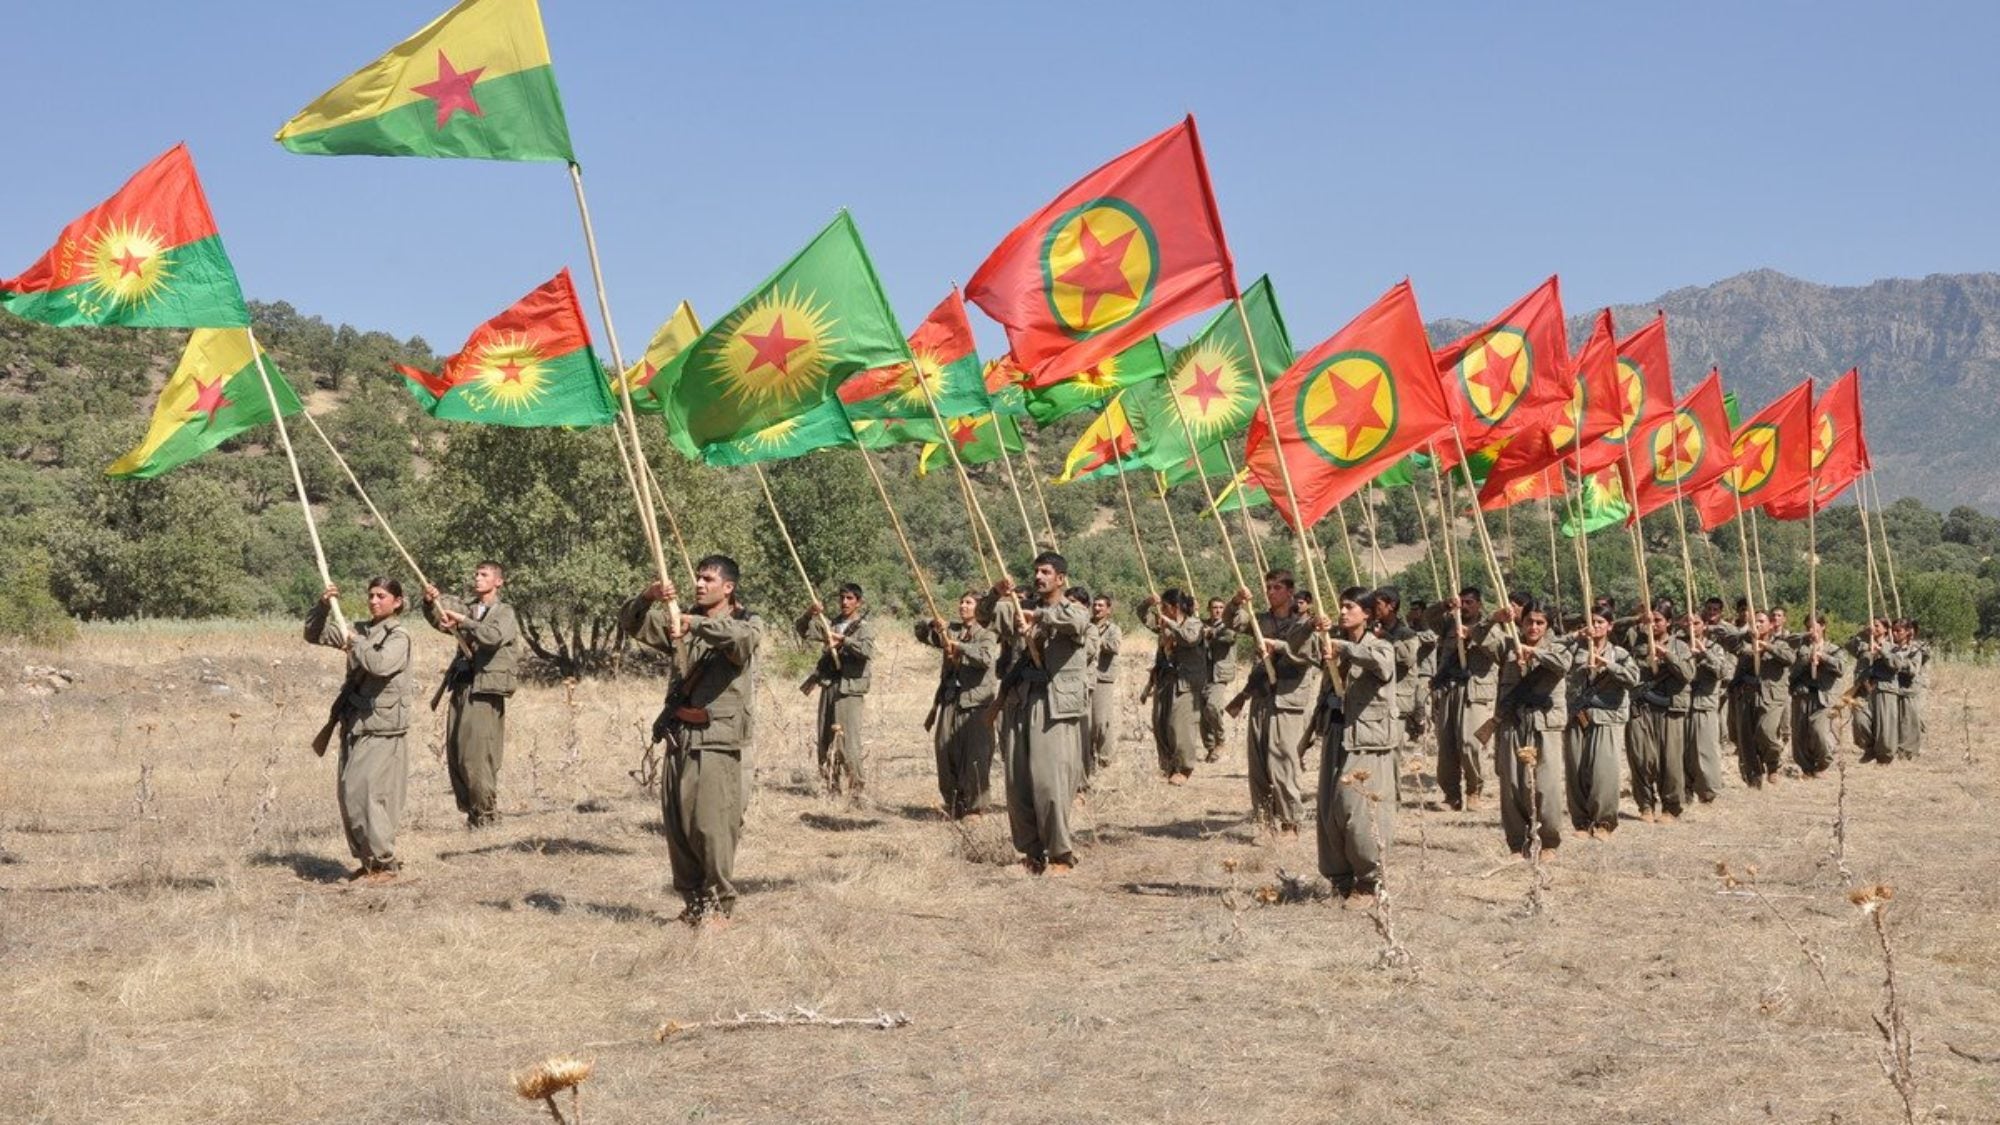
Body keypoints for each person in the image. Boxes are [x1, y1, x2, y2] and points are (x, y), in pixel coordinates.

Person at [621, 555, 764, 925]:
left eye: (708, 579)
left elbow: (740, 641)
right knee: (678, 826)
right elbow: (632, 624)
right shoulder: (677, 617)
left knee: (711, 826)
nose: (699, 584)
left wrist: (695, 624)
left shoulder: (745, 623)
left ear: (728, 587)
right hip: (679, 736)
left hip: (717, 739)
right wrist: (648, 597)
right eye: (697, 578)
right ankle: (694, 902)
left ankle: (719, 905)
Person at [306, 579, 413, 883]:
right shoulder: (360, 629)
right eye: (371, 596)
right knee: (348, 794)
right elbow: (313, 634)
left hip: (382, 727)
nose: (374, 601)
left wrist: (355, 642)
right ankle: (368, 862)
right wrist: (323, 605)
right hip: (354, 722)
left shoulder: (398, 637)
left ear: (398, 602)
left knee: (366, 794)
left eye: (382, 596)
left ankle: (383, 863)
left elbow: (379, 664)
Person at [993, 552, 1092, 875]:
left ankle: (1061, 854)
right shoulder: (1019, 609)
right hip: (1021, 701)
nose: (1039, 577)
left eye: (1046, 572)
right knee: (1017, 782)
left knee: (1049, 783)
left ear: (1060, 578)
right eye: (1036, 571)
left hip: (1054, 706)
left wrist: (1040, 617)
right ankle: (1031, 854)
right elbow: (986, 616)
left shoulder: (1072, 609)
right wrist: (996, 593)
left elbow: (1077, 624)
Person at [423, 561, 520, 828]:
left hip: (484, 692)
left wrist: (464, 620)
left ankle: (487, 816)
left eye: (484, 575)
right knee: (457, 754)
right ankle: (473, 815)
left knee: (477, 756)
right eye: (475, 573)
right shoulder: (469, 609)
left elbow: (491, 637)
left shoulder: (504, 612)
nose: (477, 578)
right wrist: (431, 602)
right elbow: (440, 621)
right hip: (462, 688)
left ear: (498, 581)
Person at [1317, 588, 1397, 906]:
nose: (1342, 611)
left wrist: (1345, 648)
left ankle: (1369, 883)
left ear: (1367, 613)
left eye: (1349, 606)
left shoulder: (1381, 646)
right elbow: (1298, 650)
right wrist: (1317, 629)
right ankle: (1340, 879)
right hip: (1336, 734)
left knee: (1358, 811)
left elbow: (1381, 664)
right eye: (1340, 606)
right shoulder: (1331, 644)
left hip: (1367, 741)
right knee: (1330, 810)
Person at [1226, 571, 1319, 834]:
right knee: (1257, 765)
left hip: (1287, 700)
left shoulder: (1303, 624)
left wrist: (1276, 646)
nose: (1271, 591)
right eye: (1268, 587)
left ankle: (1290, 822)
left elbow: (1305, 657)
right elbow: (1231, 621)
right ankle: (1264, 822)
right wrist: (1236, 601)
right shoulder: (1260, 621)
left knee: (1282, 764)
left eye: (1277, 587)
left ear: (1290, 592)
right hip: (1261, 695)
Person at [1491, 598, 1573, 858]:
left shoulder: (1558, 647)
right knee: (1512, 785)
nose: (1534, 627)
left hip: (1544, 724)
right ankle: (1517, 842)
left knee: (1545, 787)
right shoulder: (1507, 645)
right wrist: (1493, 619)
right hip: (1513, 721)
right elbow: (1479, 641)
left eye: (1540, 623)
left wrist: (1534, 652)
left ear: (1547, 626)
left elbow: (1562, 665)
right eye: (1529, 621)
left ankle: (1548, 841)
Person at [917, 590, 1000, 818]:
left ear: (979, 607)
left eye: (969, 602)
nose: (963, 606)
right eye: (961, 601)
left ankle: (975, 807)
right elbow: (922, 635)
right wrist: (931, 624)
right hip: (950, 700)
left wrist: (959, 647)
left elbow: (985, 658)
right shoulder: (951, 629)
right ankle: (954, 803)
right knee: (945, 750)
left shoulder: (988, 633)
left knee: (975, 756)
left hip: (976, 703)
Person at [795, 583, 875, 798]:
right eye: (842, 598)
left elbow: (866, 650)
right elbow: (803, 630)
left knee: (846, 743)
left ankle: (857, 792)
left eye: (850, 598)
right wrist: (809, 614)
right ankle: (832, 788)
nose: (844, 602)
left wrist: (844, 641)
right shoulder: (830, 623)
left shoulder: (863, 627)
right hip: (830, 685)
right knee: (825, 739)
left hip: (849, 689)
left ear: (858, 602)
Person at [1425, 587, 1501, 811]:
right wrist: (1446, 605)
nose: (1465, 606)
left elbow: (1498, 650)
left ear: (1479, 604)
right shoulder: (1450, 622)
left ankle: (1474, 789)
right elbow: (1429, 618)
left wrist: (1473, 634)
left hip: (1475, 692)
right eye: (1462, 602)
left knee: (1471, 743)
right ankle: (1451, 795)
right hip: (1449, 688)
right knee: (1447, 745)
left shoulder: (1491, 627)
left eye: (1470, 602)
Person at [1567, 608, 1641, 837]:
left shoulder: (1619, 654)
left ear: (1609, 626)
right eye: (1589, 622)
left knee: (1604, 772)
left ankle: (1603, 822)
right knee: (1576, 771)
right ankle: (1580, 822)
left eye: (1599, 622)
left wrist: (1607, 665)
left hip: (1607, 718)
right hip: (1578, 716)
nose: (1594, 626)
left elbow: (1633, 678)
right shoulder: (1573, 652)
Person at [1627, 599, 1696, 823]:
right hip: (1641, 708)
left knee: (1670, 761)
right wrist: (1638, 618)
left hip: (1670, 709)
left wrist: (1667, 655)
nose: (1653, 624)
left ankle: (1671, 806)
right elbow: (1611, 627)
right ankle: (1645, 804)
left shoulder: (1681, 646)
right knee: (1641, 758)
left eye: (1658, 620)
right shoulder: (1636, 641)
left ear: (1668, 622)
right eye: (1650, 620)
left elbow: (1688, 674)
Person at [1719, 609, 1795, 787]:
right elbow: (1729, 643)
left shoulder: (1781, 643)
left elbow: (1790, 658)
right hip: (1746, 694)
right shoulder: (1745, 642)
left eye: (1761, 622)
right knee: (1745, 739)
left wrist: (1766, 647)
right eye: (1755, 622)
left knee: (1766, 731)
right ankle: (1753, 777)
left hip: (1771, 696)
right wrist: (1748, 635)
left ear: (1771, 624)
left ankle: (1773, 763)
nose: (1758, 625)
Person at [1140, 588, 1207, 784]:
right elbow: (1143, 617)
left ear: (1175, 607)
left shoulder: (1194, 624)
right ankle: (1167, 765)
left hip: (1186, 683)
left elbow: (1189, 638)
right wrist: (1147, 603)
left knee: (1179, 725)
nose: (1162, 611)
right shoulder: (1163, 625)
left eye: (1165, 607)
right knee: (1160, 723)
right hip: (1165, 679)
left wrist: (1169, 623)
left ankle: (1183, 768)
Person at [1372, 586, 1422, 804]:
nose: (1374, 609)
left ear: (1391, 606)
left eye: (1378, 605)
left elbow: (1407, 658)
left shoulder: (1407, 634)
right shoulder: (1372, 629)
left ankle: (1393, 800)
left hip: (1398, 702)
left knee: (1392, 753)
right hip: (1375, 700)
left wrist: (1386, 638)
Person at [1683, 603, 1732, 804]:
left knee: (1705, 751)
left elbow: (1723, 671)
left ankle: (1708, 792)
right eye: (1688, 622)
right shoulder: (1678, 645)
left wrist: (1704, 653)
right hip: (1682, 705)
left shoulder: (1715, 648)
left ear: (1704, 625)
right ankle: (1685, 791)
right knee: (1682, 753)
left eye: (1696, 622)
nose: (1691, 626)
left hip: (1705, 705)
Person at [1789, 613, 1847, 777]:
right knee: (1800, 734)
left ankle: (1823, 763)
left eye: (1814, 627)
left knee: (1818, 731)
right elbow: (1791, 672)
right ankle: (1807, 768)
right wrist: (1807, 660)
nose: (1811, 631)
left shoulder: (1834, 649)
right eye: (1808, 628)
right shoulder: (1800, 649)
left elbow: (1841, 668)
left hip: (1824, 697)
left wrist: (1824, 657)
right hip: (1803, 695)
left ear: (1823, 626)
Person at [1082, 593, 1122, 784]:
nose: (1096, 608)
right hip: (1085, 678)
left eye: (1100, 606)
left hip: (1103, 678)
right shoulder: (1085, 624)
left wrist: (1093, 639)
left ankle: (1105, 758)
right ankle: (1088, 760)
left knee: (1101, 722)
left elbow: (1114, 646)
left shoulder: (1113, 629)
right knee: (1086, 722)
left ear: (1108, 609)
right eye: (1095, 605)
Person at [1198, 597, 1239, 763]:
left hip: (1220, 674)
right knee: (1203, 713)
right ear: (1209, 609)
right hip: (1202, 673)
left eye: (1221, 607)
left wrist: (1211, 633)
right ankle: (1210, 747)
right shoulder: (1202, 623)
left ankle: (1221, 739)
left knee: (1212, 706)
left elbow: (1229, 637)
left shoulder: (1229, 625)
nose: (1218, 610)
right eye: (1214, 607)